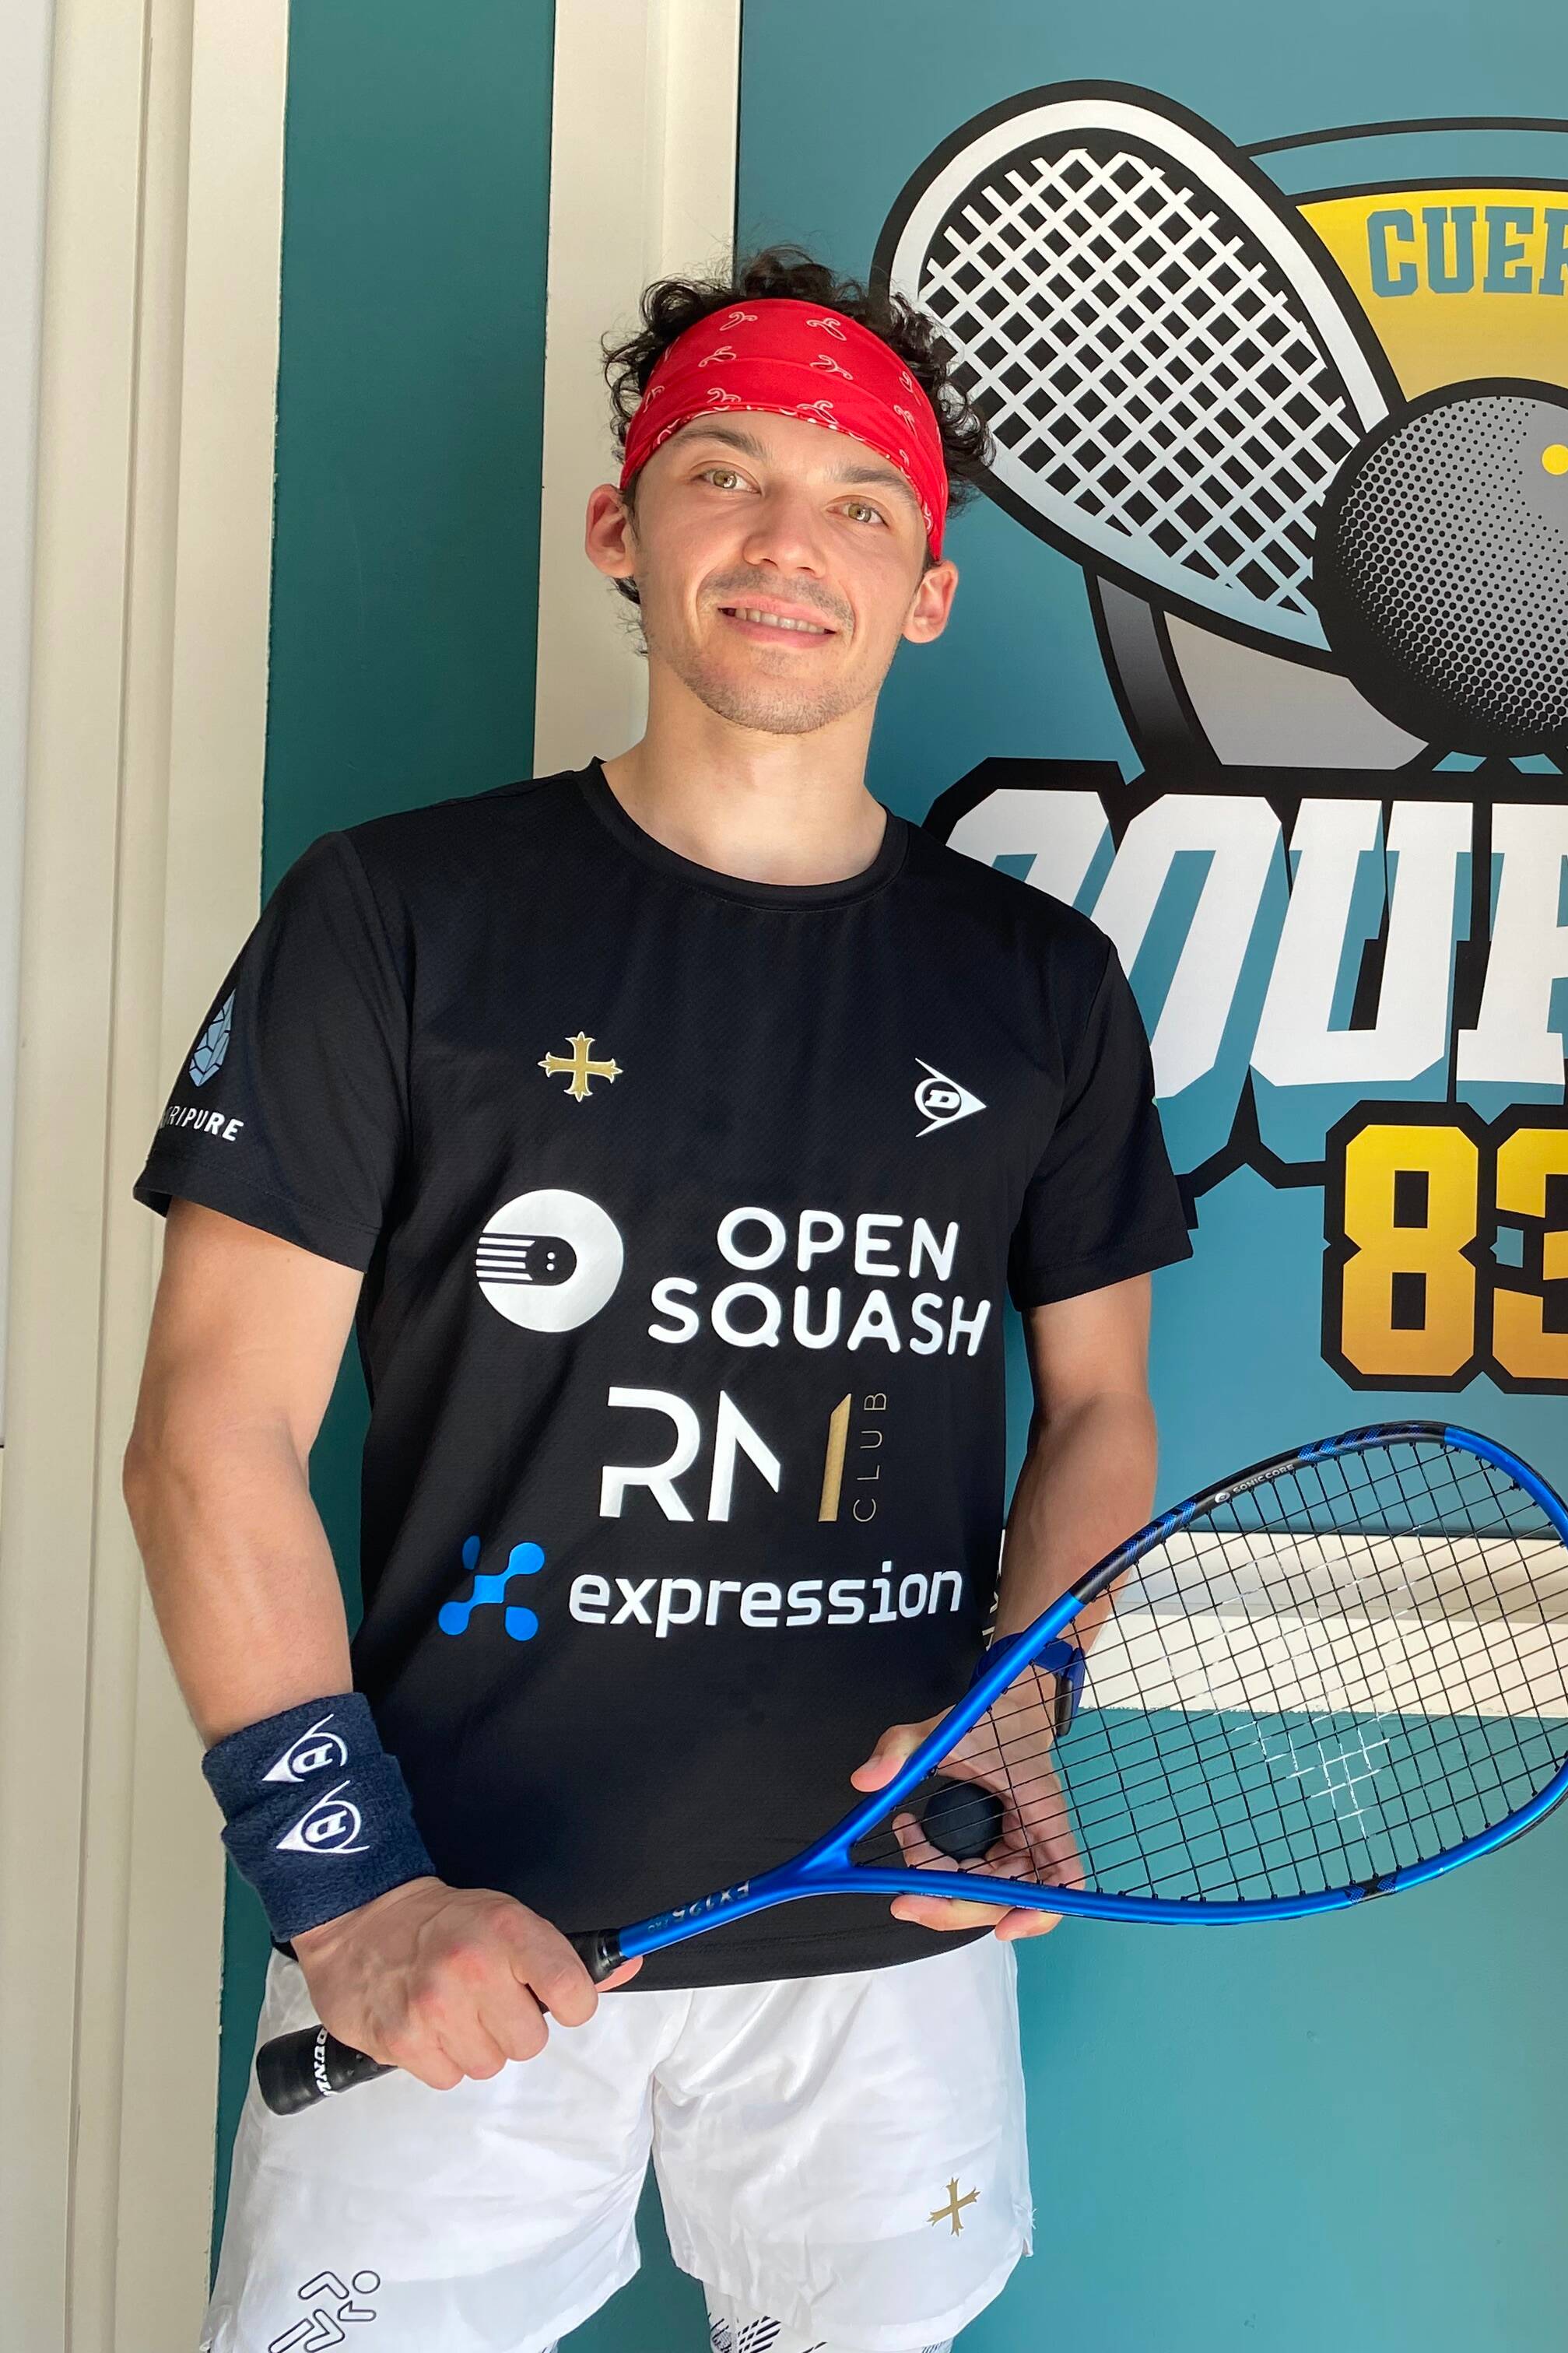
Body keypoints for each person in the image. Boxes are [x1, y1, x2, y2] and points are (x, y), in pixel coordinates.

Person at [126, 248, 1190, 2353]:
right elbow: (205, 1431)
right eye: (728, 475)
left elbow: (1096, 1416)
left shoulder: (1035, 984)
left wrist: (1024, 1709)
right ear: (625, 529)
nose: (793, 544)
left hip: (882, 1936)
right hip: (453, 1925)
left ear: (929, 585)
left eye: (863, 501)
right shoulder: (400, 913)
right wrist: (348, 1897)